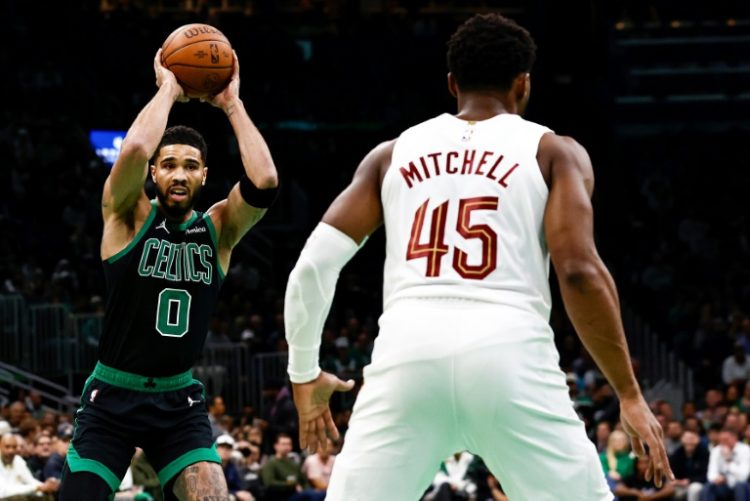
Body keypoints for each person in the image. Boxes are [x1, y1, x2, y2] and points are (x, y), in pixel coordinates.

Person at [283, 12, 672, 501]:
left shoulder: (391, 154)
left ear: (452, 83)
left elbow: (312, 268)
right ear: (523, 84)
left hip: (407, 356)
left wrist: (303, 372)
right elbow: (577, 272)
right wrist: (629, 394)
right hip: (508, 353)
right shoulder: (554, 151)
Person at [58, 47, 278, 501]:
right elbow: (136, 146)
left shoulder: (217, 230)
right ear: (153, 173)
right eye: (170, 165)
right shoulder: (126, 216)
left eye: (191, 166)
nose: (179, 174)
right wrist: (169, 89)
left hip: (179, 403)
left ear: (203, 176)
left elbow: (265, 180)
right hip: (112, 397)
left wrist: (231, 104)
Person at [0, 433, 59, 499]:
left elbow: (31, 481)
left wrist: (47, 486)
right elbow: (3, 492)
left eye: (14, 447)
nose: (11, 451)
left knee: (48, 494)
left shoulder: (18, 460)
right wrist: (38, 488)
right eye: (7, 447)